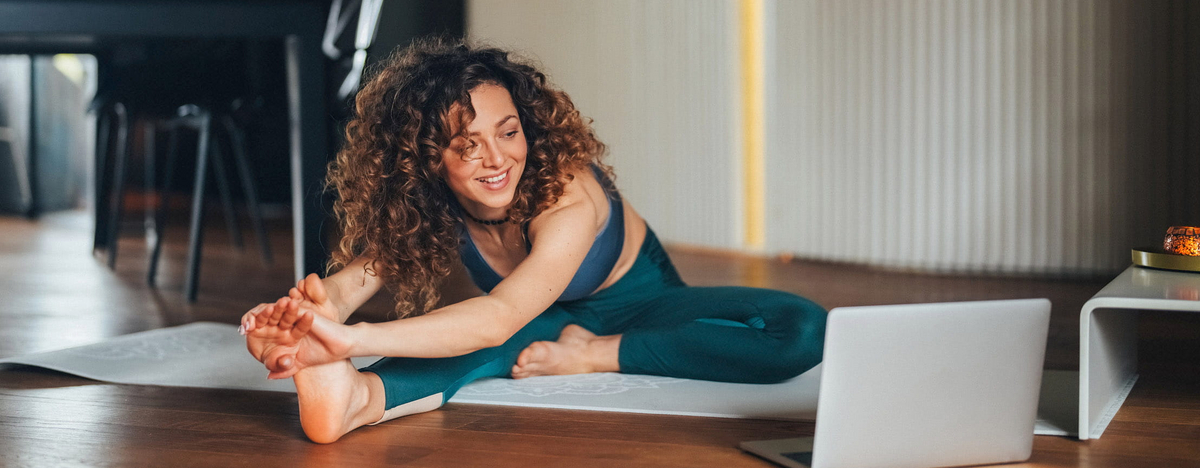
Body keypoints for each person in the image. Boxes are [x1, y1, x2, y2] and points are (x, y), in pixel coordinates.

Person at [239, 37, 827, 444]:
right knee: (472, 349)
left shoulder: (565, 196)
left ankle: (598, 353)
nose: (496, 160)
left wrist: (352, 337)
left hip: (645, 306)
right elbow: (349, 285)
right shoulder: (434, 199)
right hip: (534, 321)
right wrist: (306, 317)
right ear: (427, 159)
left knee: (804, 330)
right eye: (466, 144)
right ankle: (354, 399)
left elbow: (497, 315)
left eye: (508, 131)